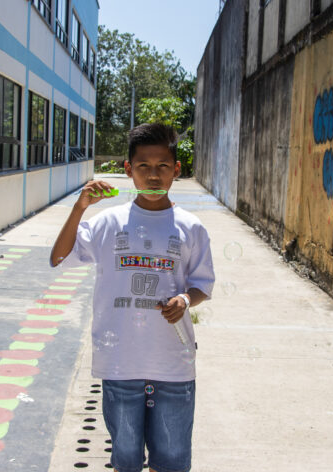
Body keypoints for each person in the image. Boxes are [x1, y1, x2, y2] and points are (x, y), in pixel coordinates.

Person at [50, 123, 215, 472]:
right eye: (143, 166)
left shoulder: (191, 227)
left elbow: (202, 285)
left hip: (173, 364)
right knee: (125, 460)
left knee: (171, 460)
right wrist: (80, 208)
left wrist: (185, 300)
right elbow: (59, 258)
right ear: (128, 169)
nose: (153, 176)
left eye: (162, 166)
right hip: (120, 363)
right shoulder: (108, 223)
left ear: (177, 169)